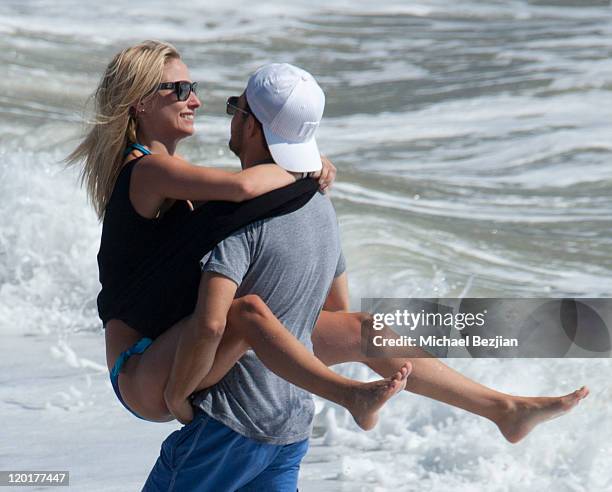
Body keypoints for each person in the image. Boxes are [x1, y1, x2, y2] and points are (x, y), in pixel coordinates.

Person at [142, 62, 590, 491]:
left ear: (253, 127)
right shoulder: (320, 209)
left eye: (235, 108)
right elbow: (336, 314)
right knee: (362, 327)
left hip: (229, 424)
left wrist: (178, 397)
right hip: (290, 426)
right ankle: (500, 408)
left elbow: (213, 323)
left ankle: (490, 408)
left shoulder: (234, 221)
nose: (230, 118)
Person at [67, 40, 410, 431]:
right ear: (140, 103)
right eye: (179, 90)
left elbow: (244, 191)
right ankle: (350, 395)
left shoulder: (174, 178)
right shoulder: (146, 171)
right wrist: (303, 162)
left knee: (357, 328)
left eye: (192, 88)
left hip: (178, 348)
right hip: (141, 368)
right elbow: (243, 188)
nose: (194, 100)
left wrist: (305, 164)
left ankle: (490, 403)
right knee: (245, 313)